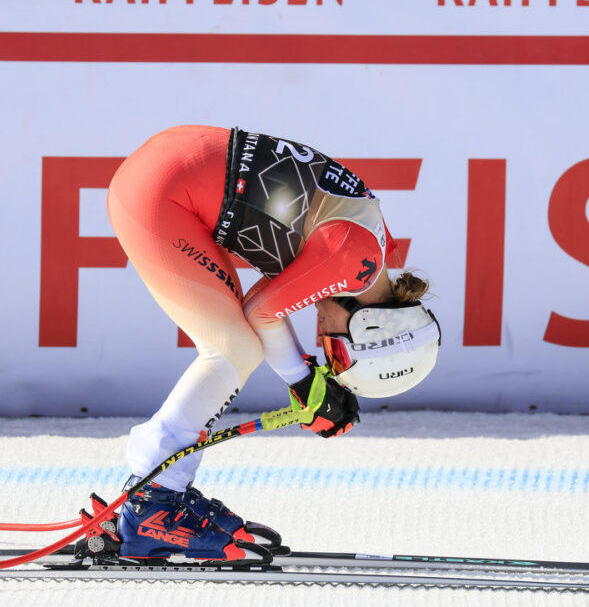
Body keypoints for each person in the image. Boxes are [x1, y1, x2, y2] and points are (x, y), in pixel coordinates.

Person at [106, 125, 441, 562]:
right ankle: (154, 504)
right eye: (337, 353)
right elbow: (260, 313)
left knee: (235, 344)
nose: (323, 343)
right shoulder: (354, 263)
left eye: (329, 360)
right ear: (371, 329)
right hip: (161, 192)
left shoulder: (372, 250)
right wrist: (305, 383)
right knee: (233, 350)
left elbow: (264, 304)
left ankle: (158, 494)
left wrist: (306, 381)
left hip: (169, 175)